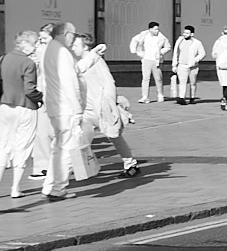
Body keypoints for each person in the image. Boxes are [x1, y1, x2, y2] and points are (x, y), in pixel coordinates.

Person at [0, 31, 42, 198]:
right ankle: (15, 188)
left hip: (4, 106)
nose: (37, 46)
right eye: (35, 42)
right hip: (25, 107)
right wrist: (41, 97)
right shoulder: (28, 63)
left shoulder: (4, 58)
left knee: (1, 145)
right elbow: (29, 89)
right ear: (26, 44)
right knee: (22, 146)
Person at [38, 22, 87, 198]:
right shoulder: (63, 52)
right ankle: (58, 188)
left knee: (58, 147)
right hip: (66, 107)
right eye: (73, 35)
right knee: (68, 148)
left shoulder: (48, 50)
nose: (73, 39)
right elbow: (70, 83)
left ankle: (49, 185)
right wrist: (78, 110)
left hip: (54, 106)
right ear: (65, 34)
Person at [76, 38, 138, 177]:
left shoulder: (97, 62)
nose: (73, 47)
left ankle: (130, 164)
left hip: (101, 108)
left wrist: (110, 103)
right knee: (80, 139)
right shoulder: (80, 62)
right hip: (86, 110)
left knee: (114, 136)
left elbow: (109, 83)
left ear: (85, 47)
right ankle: (84, 169)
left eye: (76, 45)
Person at [131, 22, 170, 102]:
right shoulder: (144, 35)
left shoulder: (161, 37)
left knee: (158, 78)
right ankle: (145, 96)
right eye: (155, 29)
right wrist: (136, 51)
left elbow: (168, 47)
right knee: (145, 78)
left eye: (157, 29)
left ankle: (160, 94)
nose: (157, 31)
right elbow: (134, 40)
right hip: (146, 59)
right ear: (150, 29)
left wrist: (160, 52)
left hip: (156, 60)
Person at [171, 26, 206, 104]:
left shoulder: (197, 43)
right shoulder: (179, 40)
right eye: (184, 32)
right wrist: (174, 64)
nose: (185, 34)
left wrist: (195, 60)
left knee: (192, 82)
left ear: (192, 34)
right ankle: (181, 97)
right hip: (182, 64)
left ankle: (192, 97)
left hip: (193, 66)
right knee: (182, 82)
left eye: (187, 33)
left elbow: (202, 54)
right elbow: (175, 53)